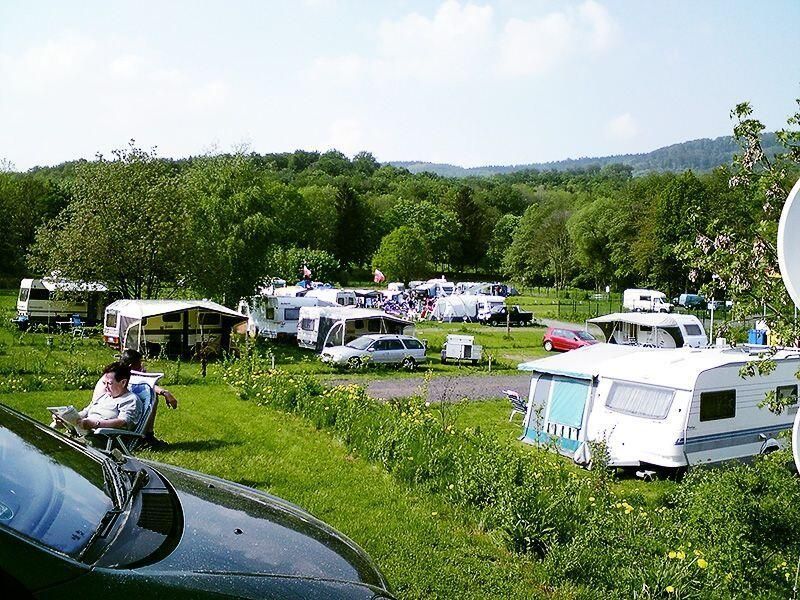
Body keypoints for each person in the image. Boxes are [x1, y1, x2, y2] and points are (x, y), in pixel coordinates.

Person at [90, 349, 178, 449]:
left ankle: (148, 436)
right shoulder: (116, 382)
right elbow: (146, 383)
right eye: (139, 364)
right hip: (105, 425)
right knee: (152, 394)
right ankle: (148, 436)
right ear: (131, 366)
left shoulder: (109, 376)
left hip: (95, 417)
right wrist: (164, 392)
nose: (141, 367)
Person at [75, 362, 140, 432]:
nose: (105, 387)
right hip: (84, 431)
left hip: (106, 438)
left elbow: (123, 422)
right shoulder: (105, 396)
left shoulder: (130, 399)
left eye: (109, 383)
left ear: (123, 383)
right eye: (104, 383)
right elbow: (86, 411)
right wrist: (70, 419)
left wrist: (95, 424)